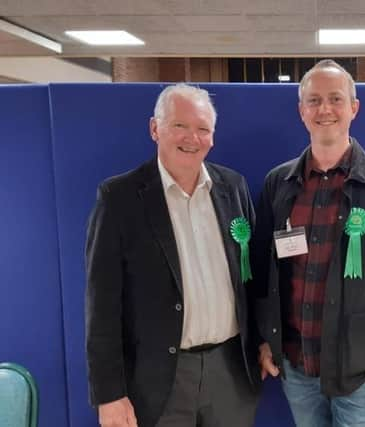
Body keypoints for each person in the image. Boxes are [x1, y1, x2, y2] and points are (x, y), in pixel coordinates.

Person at [253, 59, 365, 427]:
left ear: (354, 108)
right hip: (297, 368)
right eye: (313, 101)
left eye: (335, 99)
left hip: (362, 375)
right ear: (301, 111)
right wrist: (266, 340)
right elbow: (263, 275)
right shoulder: (277, 184)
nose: (324, 109)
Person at [85, 83, 261, 427]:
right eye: (179, 125)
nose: (191, 138)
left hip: (231, 371)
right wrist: (109, 394)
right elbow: (101, 303)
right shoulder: (119, 198)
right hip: (159, 378)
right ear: (155, 128)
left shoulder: (233, 187)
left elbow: (253, 278)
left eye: (202, 129)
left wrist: (267, 342)